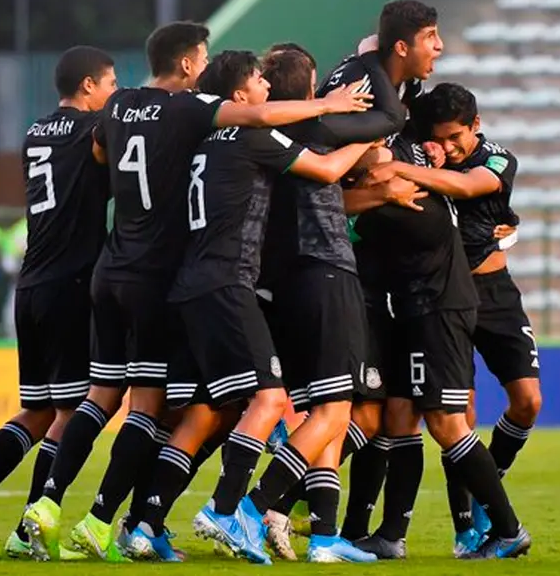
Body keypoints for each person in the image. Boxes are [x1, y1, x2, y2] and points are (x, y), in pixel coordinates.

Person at [21, 21, 373, 562]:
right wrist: (333, 107)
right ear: (188, 66)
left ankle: (61, 508)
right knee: (177, 407)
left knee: (117, 400)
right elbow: (266, 123)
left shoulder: (122, 105)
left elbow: (96, 153)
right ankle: (195, 514)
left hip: (112, 269)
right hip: (171, 278)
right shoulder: (194, 113)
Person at [120, 49, 378, 565]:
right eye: (256, 80)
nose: (263, 87)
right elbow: (325, 169)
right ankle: (229, 510)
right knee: (270, 401)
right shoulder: (252, 134)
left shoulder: (201, 138)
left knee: (207, 412)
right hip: (228, 283)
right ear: (239, 94)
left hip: (190, 284)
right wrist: (369, 132)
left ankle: (143, 523)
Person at [262, 0, 444, 560]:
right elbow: (340, 177)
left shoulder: (349, 95)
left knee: (355, 413)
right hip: (329, 273)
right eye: (432, 37)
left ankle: (322, 535)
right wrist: (383, 169)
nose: (439, 48)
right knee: (341, 413)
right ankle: (250, 507)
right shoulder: (329, 115)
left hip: (329, 275)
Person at [0, 45, 117, 560]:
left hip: (32, 284)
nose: (112, 94)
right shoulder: (92, 135)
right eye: (109, 83)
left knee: (38, 410)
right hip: (69, 285)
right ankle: (31, 525)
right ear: (88, 86)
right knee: (73, 411)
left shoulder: (35, 133)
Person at [356, 83, 539, 558]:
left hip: (490, 291)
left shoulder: (494, 158)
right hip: (440, 294)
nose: (451, 146)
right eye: (443, 137)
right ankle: (464, 527)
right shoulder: (428, 150)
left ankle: (487, 489)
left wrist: (401, 169)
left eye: (458, 137)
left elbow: (471, 186)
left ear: (475, 127)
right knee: (451, 413)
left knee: (526, 402)